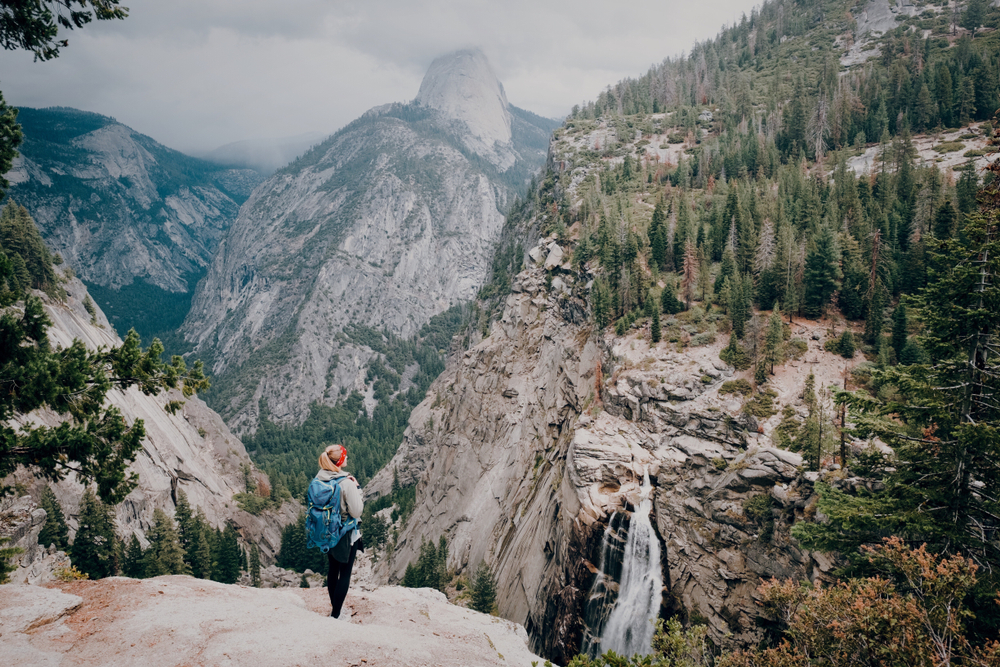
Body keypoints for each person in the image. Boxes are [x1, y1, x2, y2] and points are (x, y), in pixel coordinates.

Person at [312, 444, 364, 618]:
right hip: (345, 533)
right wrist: (357, 489)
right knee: (345, 573)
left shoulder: (319, 479)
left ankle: (335, 608)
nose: (347, 458)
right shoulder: (346, 483)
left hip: (327, 532)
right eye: (345, 455)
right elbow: (356, 512)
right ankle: (335, 615)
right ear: (340, 460)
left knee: (333, 569)